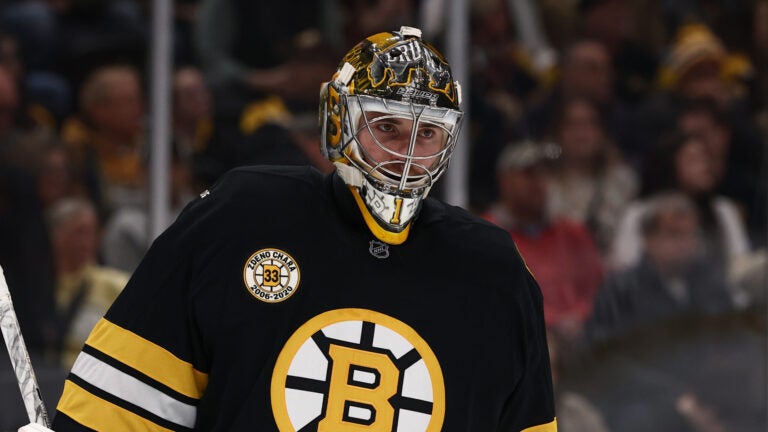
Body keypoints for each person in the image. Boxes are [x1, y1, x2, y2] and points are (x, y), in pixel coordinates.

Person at [48, 27, 557, 431]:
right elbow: (126, 404)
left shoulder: (493, 271)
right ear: (338, 121)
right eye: (386, 127)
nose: (406, 155)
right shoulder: (241, 218)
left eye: (428, 133)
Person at [483, 140, 603, 362]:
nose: (538, 182)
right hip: (517, 351)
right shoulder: (485, 237)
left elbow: (599, 289)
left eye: (543, 174)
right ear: (504, 181)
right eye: (528, 174)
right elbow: (489, 306)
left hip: (584, 343)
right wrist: (551, 321)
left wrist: (580, 314)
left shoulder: (572, 233)